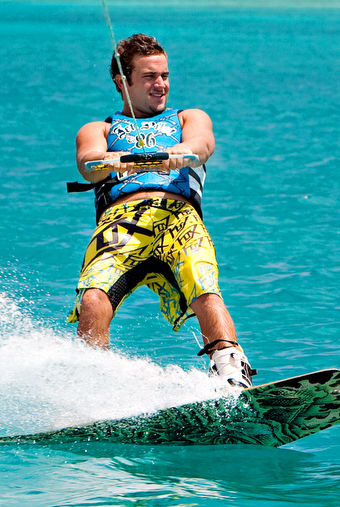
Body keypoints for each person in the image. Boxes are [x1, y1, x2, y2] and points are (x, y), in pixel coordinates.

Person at [67, 33, 255, 388]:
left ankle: (232, 374)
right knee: (93, 297)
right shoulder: (99, 129)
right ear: (123, 82)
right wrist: (127, 160)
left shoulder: (188, 118)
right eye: (150, 77)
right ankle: (90, 385)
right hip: (121, 224)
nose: (161, 84)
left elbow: (200, 146)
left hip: (178, 218)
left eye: (165, 75)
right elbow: (89, 164)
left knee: (204, 286)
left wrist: (177, 154)